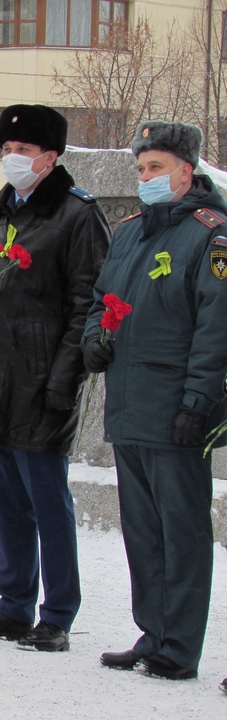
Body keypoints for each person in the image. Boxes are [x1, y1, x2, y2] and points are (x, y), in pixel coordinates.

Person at [0, 105, 110, 650]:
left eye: (23, 151)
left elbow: (87, 302)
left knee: (47, 498)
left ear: (50, 157)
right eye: (7, 149)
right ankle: (14, 602)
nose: (12, 158)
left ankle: (58, 611)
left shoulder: (76, 215)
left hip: (44, 375)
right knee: (5, 497)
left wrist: (66, 378)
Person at [84, 121, 227, 680]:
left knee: (182, 529)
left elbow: (216, 328)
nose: (145, 177)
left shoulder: (211, 235)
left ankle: (180, 646)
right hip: (129, 400)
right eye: (140, 168)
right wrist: (93, 339)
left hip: (176, 407)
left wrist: (199, 400)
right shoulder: (129, 231)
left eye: (156, 168)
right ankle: (153, 631)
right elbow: (102, 299)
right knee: (142, 530)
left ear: (186, 172)